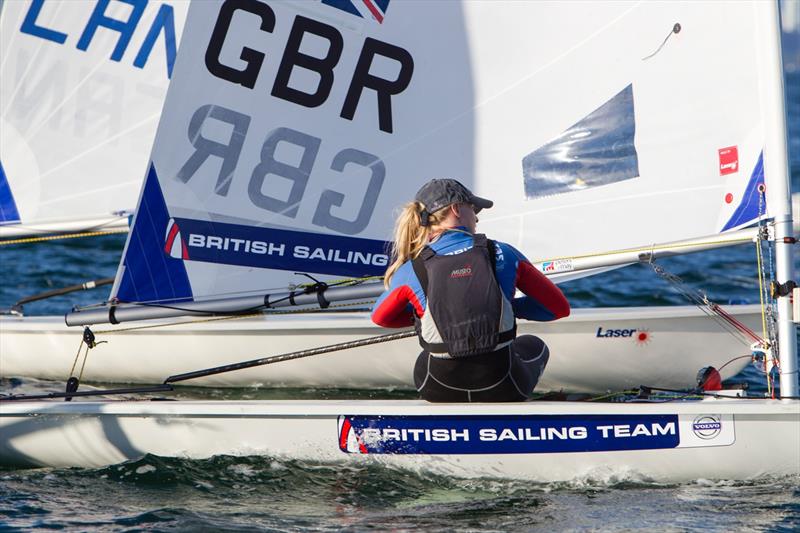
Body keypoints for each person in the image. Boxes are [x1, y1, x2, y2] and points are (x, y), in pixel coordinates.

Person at [371, 178, 570, 402]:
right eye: (473, 209)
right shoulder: (502, 252)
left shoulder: (412, 267)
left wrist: (435, 314)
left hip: (437, 388)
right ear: (456, 209)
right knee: (534, 345)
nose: (476, 217)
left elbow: (380, 318)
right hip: (504, 384)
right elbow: (558, 309)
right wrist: (502, 308)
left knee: (423, 358)